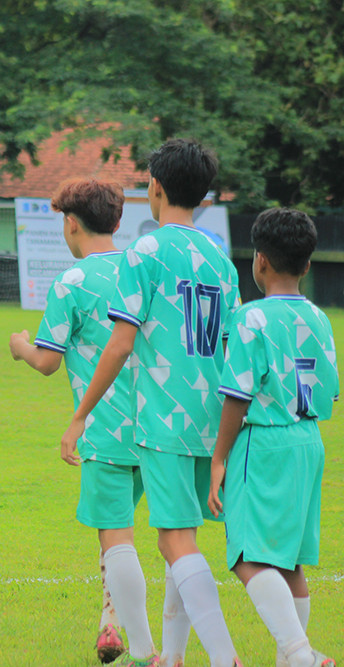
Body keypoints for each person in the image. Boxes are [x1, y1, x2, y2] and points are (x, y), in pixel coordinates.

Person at [61, 139, 241, 667]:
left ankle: (208, 655)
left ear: (154, 189)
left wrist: (79, 414)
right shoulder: (220, 259)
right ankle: (173, 656)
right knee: (181, 538)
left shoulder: (146, 250)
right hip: (212, 419)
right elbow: (231, 347)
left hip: (163, 415)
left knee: (172, 542)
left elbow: (120, 342)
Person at [9, 178, 156, 666]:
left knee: (116, 536)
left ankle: (134, 641)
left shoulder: (72, 281)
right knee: (170, 534)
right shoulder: (143, 269)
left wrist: (20, 348)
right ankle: (109, 622)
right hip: (160, 425)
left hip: (105, 427)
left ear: (70, 224)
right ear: (118, 223)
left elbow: (48, 361)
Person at [208, 209, 338, 667]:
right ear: (306, 265)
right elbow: (330, 389)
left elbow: (237, 396)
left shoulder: (251, 318)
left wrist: (219, 458)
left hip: (263, 445)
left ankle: (301, 655)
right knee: (289, 561)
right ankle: (293, 660)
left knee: (247, 556)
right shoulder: (320, 318)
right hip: (309, 441)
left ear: (258, 260)